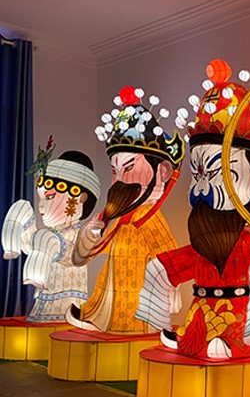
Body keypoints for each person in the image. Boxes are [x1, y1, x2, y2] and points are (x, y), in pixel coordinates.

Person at [136, 60, 250, 360]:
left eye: (223, 174)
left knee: (228, 343)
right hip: (200, 316)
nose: (203, 190)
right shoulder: (204, 244)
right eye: (198, 175)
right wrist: (156, 296)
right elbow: (169, 267)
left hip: (239, 321)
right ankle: (191, 341)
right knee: (162, 278)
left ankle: (240, 342)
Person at [67, 86, 184, 334]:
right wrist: (90, 235)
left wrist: (173, 288)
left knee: (134, 308)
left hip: (140, 291)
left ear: (163, 171)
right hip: (112, 285)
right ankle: (99, 317)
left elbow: (167, 251)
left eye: (129, 168)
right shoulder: (122, 216)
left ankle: (129, 325)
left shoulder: (149, 218)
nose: (120, 180)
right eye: (114, 171)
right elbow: (84, 256)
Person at [2, 148, 100, 323]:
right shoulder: (49, 236)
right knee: (22, 208)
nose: (40, 206)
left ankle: (35, 276)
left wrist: (91, 235)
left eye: (50, 197)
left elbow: (75, 256)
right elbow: (32, 246)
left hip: (67, 307)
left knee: (46, 238)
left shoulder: (78, 235)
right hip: (41, 305)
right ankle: (10, 247)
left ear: (81, 198)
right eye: (41, 198)